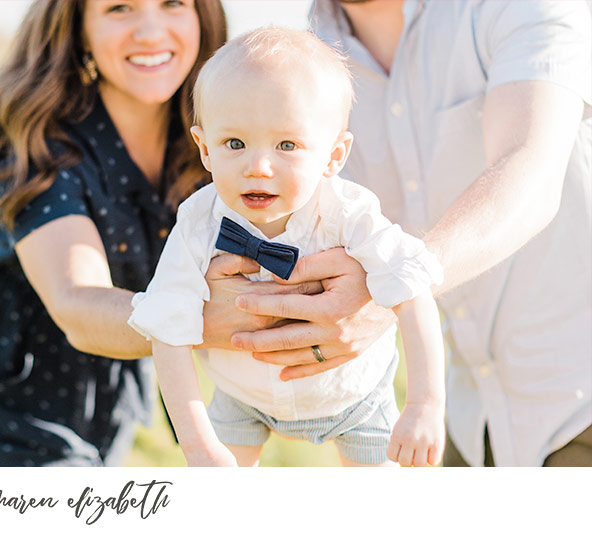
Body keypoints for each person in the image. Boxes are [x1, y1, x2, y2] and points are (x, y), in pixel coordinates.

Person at [215, 0, 591, 467]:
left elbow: (531, 170)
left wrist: (391, 286)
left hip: (578, 401)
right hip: (471, 414)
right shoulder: (310, 50)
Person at [129, 27, 444, 467]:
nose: (258, 167)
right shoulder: (199, 221)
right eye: (234, 143)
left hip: (355, 395)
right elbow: (167, 327)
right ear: (204, 147)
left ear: (334, 156)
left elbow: (413, 288)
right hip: (242, 397)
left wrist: (425, 405)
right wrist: (199, 445)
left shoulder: (350, 212)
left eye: (287, 145)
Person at [0, 0, 228, 466]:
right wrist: (226, 318)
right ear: (79, 29)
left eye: (173, 2)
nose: (152, 32)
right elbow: (77, 300)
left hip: (121, 356)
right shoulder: (44, 134)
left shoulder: (216, 134)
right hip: (15, 367)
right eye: (119, 8)